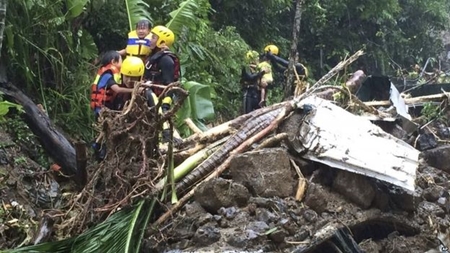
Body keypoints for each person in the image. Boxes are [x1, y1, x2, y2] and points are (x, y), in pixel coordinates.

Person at [90, 53, 145, 159]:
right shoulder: (108, 74)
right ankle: (98, 150)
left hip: (105, 107)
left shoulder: (109, 73)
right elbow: (117, 89)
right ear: (113, 62)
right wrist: (135, 90)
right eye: (120, 60)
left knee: (105, 131)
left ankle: (98, 148)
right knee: (105, 130)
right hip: (101, 108)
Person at [143, 25, 182, 144]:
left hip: (159, 97)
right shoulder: (153, 56)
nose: (150, 39)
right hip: (150, 94)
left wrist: (165, 105)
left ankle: (168, 137)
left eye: (154, 37)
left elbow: (170, 85)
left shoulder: (166, 60)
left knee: (159, 114)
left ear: (162, 41)